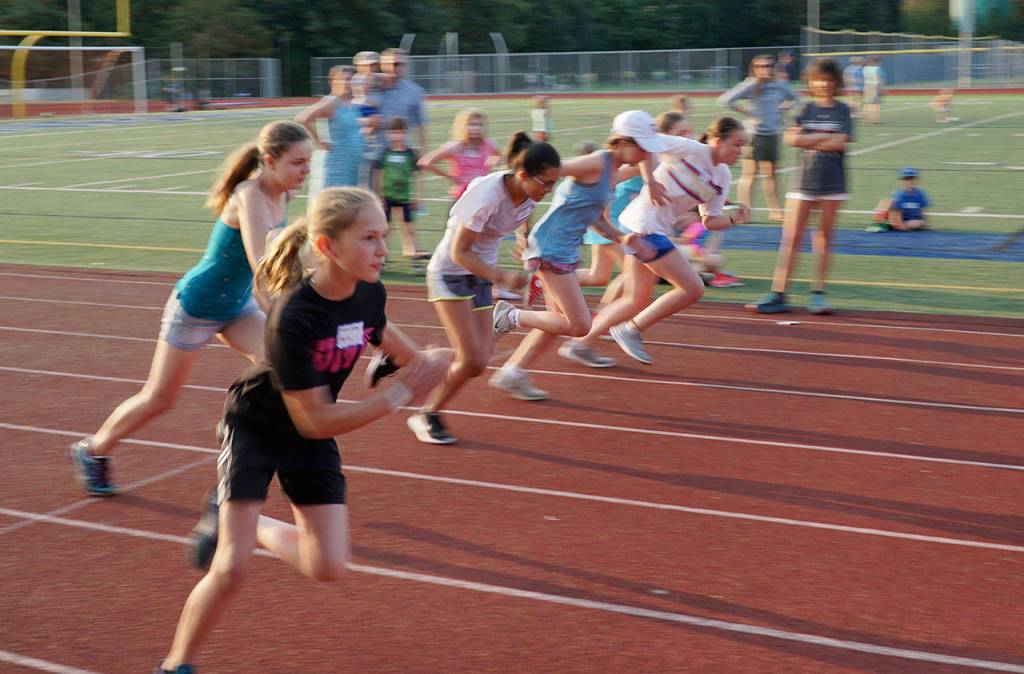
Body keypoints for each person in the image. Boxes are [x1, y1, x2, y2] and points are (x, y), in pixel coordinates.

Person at [154, 187, 452, 674]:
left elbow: (405, 354)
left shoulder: (370, 293)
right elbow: (313, 420)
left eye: (385, 236)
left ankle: (252, 527)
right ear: (328, 246)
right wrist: (398, 397)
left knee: (328, 566)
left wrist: (436, 360)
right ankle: (175, 664)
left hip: (311, 431)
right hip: (258, 426)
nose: (384, 249)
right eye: (370, 238)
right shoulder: (294, 317)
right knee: (230, 568)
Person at [69, 122, 313, 496]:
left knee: (281, 363)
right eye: (298, 162)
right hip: (197, 305)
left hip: (237, 306)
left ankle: (239, 423)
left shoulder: (283, 196)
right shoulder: (249, 194)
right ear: (269, 160)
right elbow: (260, 261)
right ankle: (92, 450)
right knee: (160, 398)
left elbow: (282, 257)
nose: (306, 170)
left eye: (308, 162)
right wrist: (285, 310)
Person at [404, 132, 561, 444]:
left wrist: (523, 241)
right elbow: (459, 252)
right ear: (522, 175)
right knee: (473, 361)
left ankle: (420, 360)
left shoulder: (529, 195)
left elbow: (523, 218)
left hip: (479, 276)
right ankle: (426, 413)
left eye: (553, 184)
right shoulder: (487, 194)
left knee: (480, 356)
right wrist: (501, 276)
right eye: (545, 183)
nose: (548, 190)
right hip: (450, 273)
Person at [561, 115, 751, 366]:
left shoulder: (722, 176)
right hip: (643, 224)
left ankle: (579, 344)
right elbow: (646, 145)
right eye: (736, 144)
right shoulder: (690, 149)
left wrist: (735, 219)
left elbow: (710, 220)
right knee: (693, 288)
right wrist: (650, 182)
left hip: (650, 229)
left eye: (743, 146)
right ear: (717, 141)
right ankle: (631, 329)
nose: (740, 151)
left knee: (635, 298)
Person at [489, 114, 659, 383]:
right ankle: (510, 315)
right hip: (549, 248)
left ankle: (511, 373)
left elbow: (594, 216)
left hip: (563, 249)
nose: (647, 153)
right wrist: (522, 228)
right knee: (579, 325)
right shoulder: (596, 162)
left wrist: (621, 238)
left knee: (555, 321)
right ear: (623, 141)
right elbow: (541, 175)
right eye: (643, 146)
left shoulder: (613, 171)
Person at [754, 59, 853, 315]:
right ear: (811, 81)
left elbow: (841, 143)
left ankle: (818, 294)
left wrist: (809, 139)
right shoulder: (804, 109)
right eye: (819, 79)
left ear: (836, 82)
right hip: (803, 182)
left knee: (823, 239)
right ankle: (779, 292)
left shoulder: (843, 110)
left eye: (829, 79)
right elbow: (791, 139)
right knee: (791, 239)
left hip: (833, 182)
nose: (824, 84)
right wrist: (822, 138)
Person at [718, 54, 799, 222]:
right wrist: (747, 112)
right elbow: (726, 100)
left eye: (769, 65)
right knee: (750, 174)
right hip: (754, 135)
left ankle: (776, 211)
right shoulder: (750, 85)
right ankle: (745, 213)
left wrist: (782, 108)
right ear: (754, 69)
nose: (766, 69)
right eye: (761, 66)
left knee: (772, 174)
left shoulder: (780, 85)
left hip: (773, 134)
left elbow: (795, 98)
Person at [296, 66, 364, 194]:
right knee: (334, 197)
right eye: (342, 80)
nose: (346, 83)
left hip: (352, 162)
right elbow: (303, 119)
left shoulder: (352, 101)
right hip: (338, 160)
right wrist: (320, 141)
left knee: (348, 198)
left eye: (350, 79)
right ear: (332, 82)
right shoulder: (331, 102)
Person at [418, 107, 502, 205]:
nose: (476, 128)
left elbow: (499, 155)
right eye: (472, 124)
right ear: (462, 126)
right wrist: (450, 177)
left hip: (482, 198)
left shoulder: (488, 144)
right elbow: (425, 162)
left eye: (479, 125)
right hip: (461, 198)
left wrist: (487, 167)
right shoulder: (455, 146)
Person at [373, 116, 428, 260]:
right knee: (385, 228)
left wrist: (418, 196)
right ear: (388, 134)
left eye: (401, 132)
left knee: (409, 227)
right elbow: (378, 174)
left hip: (405, 197)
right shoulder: (385, 154)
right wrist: (378, 196)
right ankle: (383, 254)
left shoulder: (410, 154)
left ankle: (411, 250)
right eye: (394, 132)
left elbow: (419, 176)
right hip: (388, 197)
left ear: (406, 134)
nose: (398, 136)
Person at [379, 48, 428, 151]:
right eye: (395, 63)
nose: (398, 67)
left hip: (401, 152)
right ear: (381, 64)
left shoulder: (415, 91)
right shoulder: (369, 88)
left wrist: (423, 151)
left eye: (402, 64)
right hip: (373, 152)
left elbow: (420, 124)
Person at [869, 167, 931, 232]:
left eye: (912, 179)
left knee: (918, 223)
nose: (909, 181)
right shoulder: (899, 194)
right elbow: (894, 212)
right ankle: (880, 223)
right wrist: (899, 225)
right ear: (902, 181)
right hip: (900, 221)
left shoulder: (920, 194)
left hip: (913, 221)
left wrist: (927, 225)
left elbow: (924, 211)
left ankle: (889, 226)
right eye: (906, 179)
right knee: (885, 202)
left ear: (916, 180)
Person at [862, 56, 885, 124]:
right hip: (875, 86)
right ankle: (875, 120)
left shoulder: (865, 68)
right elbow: (879, 79)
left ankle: (868, 118)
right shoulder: (878, 68)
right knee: (876, 104)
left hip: (867, 86)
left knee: (868, 103)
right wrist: (880, 89)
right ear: (876, 62)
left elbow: (864, 78)